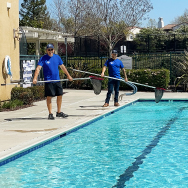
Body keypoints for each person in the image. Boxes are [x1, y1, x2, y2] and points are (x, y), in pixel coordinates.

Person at [33, 44, 73, 120]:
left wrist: (68, 76)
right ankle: (50, 113)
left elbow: (63, 67)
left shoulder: (57, 57)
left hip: (57, 80)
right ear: (46, 50)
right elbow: (38, 68)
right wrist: (35, 78)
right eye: (49, 50)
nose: (50, 51)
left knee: (60, 95)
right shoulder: (43, 58)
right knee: (49, 97)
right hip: (49, 81)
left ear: (53, 50)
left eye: (51, 50)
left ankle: (59, 112)